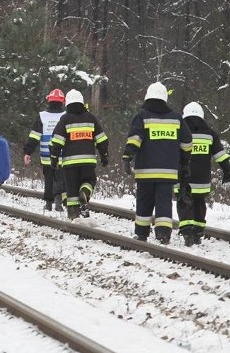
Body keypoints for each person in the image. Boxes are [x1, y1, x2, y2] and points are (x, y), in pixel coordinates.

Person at [122, 82, 192, 244]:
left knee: (144, 203)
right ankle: (163, 234)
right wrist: (184, 162)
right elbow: (187, 143)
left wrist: (127, 157)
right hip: (167, 172)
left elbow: (135, 139)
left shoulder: (142, 117)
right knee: (164, 204)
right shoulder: (176, 119)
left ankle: (141, 234)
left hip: (145, 171)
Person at [178, 102, 230, 246]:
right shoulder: (210, 134)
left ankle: (187, 232)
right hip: (202, 179)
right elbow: (220, 155)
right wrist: (227, 170)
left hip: (184, 178)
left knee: (184, 203)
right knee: (199, 204)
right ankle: (197, 232)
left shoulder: (180, 132)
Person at [48, 89, 109, 220]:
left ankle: (74, 217)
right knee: (89, 181)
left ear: (67, 104)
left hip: (70, 164)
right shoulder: (91, 118)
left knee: (71, 190)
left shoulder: (65, 119)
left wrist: (54, 159)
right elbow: (102, 139)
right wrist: (104, 155)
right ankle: (85, 192)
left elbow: (57, 141)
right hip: (88, 162)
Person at [23, 89, 67, 211]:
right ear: (62, 102)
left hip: (46, 155)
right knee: (60, 177)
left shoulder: (42, 116)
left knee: (48, 178)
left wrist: (28, 152)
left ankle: (48, 203)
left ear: (49, 100)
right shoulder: (66, 116)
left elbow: (34, 136)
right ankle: (58, 201)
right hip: (61, 155)